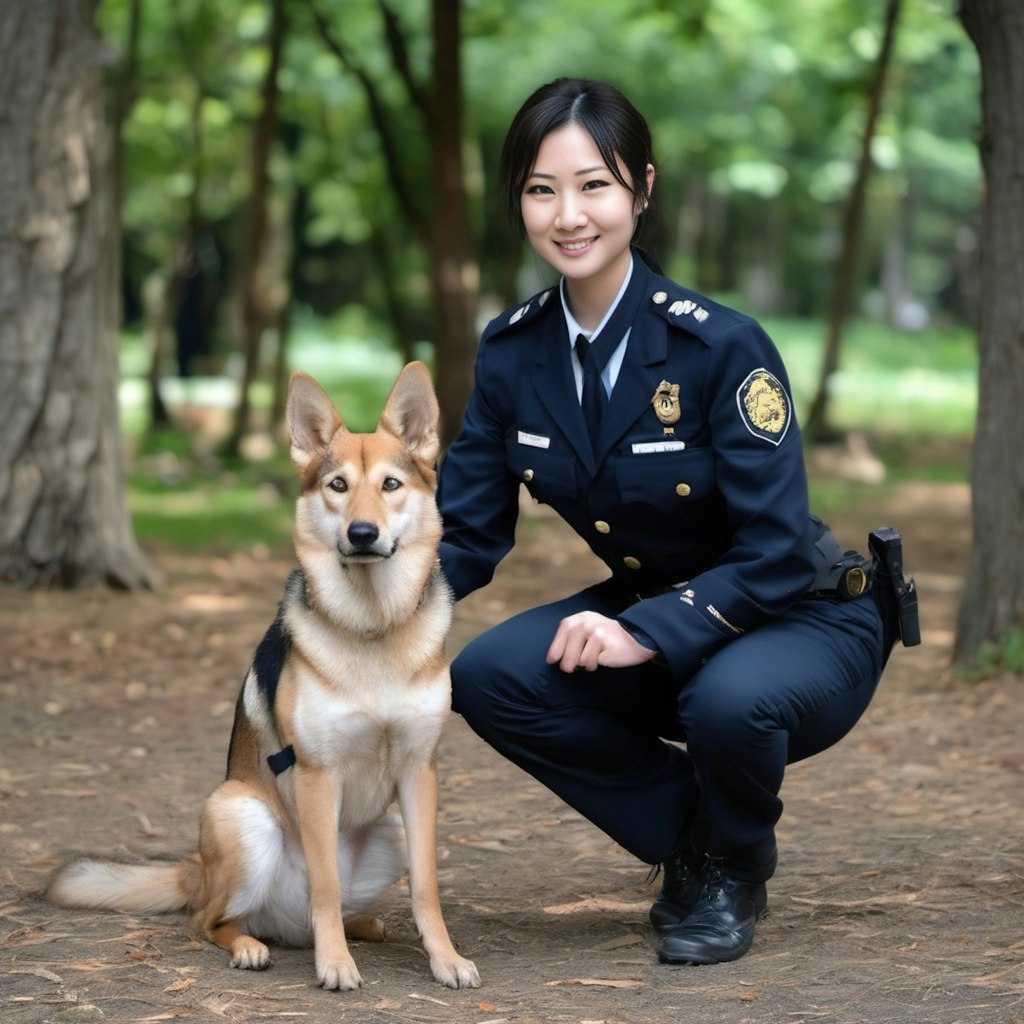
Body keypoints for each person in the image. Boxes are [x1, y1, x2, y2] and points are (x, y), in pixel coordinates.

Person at [435, 77, 904, 966]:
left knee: (725, 697)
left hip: (802, 614)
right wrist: (351, 614)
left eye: (593, 185)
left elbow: (773, 548)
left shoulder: (719, 346)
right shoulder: (511, 353)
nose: (568, 215)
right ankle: (696, 835)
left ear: (641, 191)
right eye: (542, 190)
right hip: (665, 607)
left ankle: (734, 865)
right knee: (491, 673)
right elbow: (463, 534)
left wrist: (643, 631)